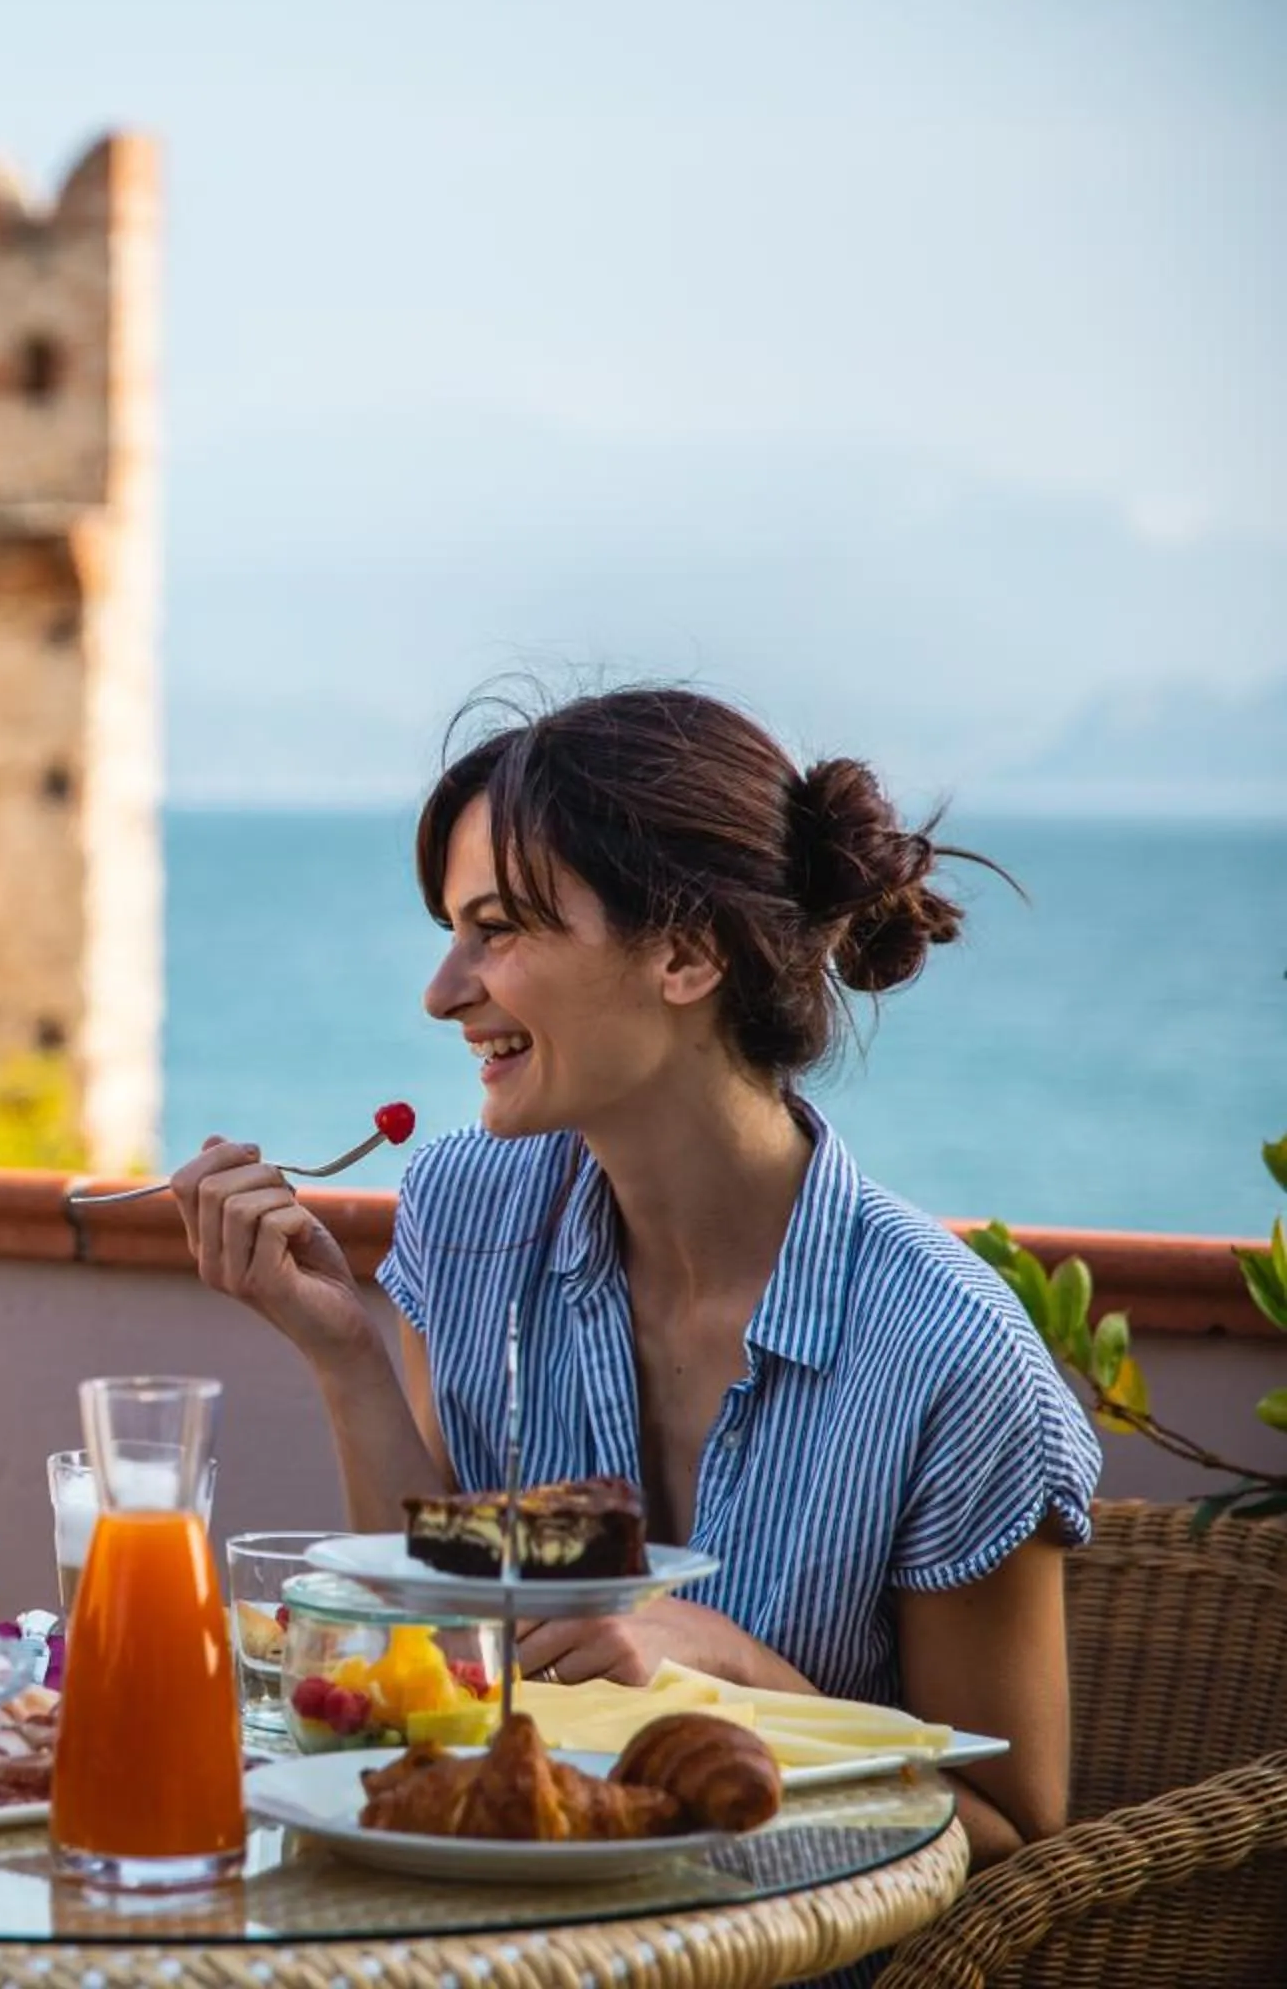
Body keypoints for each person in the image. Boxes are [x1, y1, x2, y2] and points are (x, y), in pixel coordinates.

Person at [169, 685, 1097, 1867]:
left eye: (498, 928)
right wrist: (342, 1350)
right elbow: (443, 1652)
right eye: (452, 929)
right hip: (501, 1929)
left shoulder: (948, 1351)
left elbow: (1016, 1832)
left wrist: (725, 1665)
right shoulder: (467, 1217)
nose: (443, 990)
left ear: (688, 951)